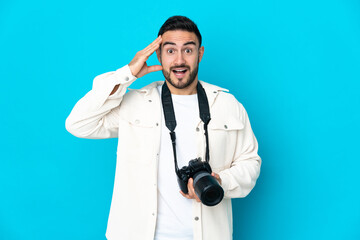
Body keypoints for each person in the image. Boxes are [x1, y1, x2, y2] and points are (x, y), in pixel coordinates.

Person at [66, 16, 261, 240]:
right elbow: (78, 123)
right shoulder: (136, 103)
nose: (179, 60)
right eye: (170, 51)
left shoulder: (227, 104)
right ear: (158, 55)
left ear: (200, 53)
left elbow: (251, 162)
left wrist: (220, 181)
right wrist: (127, 74)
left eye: (188, 50)